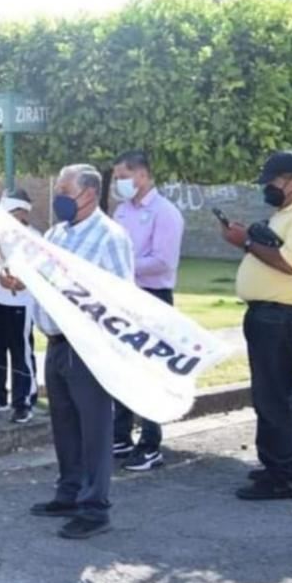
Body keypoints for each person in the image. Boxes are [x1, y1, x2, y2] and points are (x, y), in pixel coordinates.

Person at [25, 164, 134, 540]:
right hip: (56, 345)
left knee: (94, 431)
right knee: (65, 427)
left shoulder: (110, 237)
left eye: (65, 191)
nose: (58, 198)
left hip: (88, 349)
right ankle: (69, 493)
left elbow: (122, 297)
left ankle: (95, 508)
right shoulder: (56, 233)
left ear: (88, 194)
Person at [222, 151, 292, 500]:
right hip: (273, 316)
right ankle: (289, 463)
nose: (267, 191)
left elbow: (288, 264)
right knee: (279, 397)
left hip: (283, 317)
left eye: (272, 184)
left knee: (272, 398)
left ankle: (281, 474)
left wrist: (245, 242)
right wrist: (251, 242)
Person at [110, 150, 185, 472]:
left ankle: (151, 443)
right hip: (124, 297)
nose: (118, 183)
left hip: (153, 297)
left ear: (142, 175)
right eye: (116, 178)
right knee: (124, 369)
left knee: (151, 373)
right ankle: (120, 435)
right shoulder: (122, 212)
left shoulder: (165, 213)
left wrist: (123, 268)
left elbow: (162, 263)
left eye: (123, 177)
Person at [0, 189, 40, 424]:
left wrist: (20, 282)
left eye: (14, 212)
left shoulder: (32, 238)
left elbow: (35, 273)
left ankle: (24, 400)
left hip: (19, 304)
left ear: (24, 212)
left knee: (20, 351)